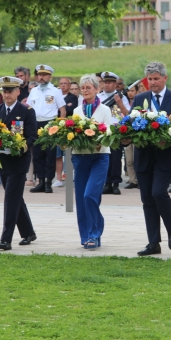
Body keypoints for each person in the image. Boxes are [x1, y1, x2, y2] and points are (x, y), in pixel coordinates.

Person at [129, 61, 171, 256]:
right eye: (150, 79)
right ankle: (153, 242)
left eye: (156, 79)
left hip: (165, 157)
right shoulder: (139, 98)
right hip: (144, 157)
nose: (153, 83)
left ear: (165, 78)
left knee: (158, 193)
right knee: (147, 199)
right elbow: (130, 123)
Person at [0, 77, 38, 251]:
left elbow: (32, 136)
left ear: (18, 92)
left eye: (10, 91)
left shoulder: (26, 111)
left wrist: (21, 147)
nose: (7, 94)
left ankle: (6, 239)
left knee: (10, 198)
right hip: (3, 161)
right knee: (16, 198)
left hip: (19, 161)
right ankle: (28, 232)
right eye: (4, 91)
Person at [68, 74, 113, 249]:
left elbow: (108, 133)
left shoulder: (105, 110)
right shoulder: (77, 111)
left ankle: (96, 231)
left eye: (89, 87)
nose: (85, 91)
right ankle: (86, 236)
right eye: (83, 88)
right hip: (80, 157)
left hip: (100, 156)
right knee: (80, 198)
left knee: (90, 195)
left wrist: (98, 141)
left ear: (97, 89)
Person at [27, 64, 66, 193]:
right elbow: (29, 109)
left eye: (44, 75)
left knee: (50, 154)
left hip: (50, 124)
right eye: (39, 75)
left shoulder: (55, 91)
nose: (41, 77)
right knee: (37, 154)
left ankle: (49, 182)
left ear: (50, 76)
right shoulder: (34, 91)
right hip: (36, 124)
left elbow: (62, 110)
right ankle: (41, 181)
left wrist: (59, 126)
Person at [98, 71, 130, 195]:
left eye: (110, 82)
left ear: (115, 84)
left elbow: (127, 114)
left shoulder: (121, 97)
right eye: (105, 82)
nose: (107, 85)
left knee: (116, 159)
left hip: (116, 130)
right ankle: (106, 183)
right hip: (103, 131)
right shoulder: (98, 98)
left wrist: (120, 103)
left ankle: (116, 183)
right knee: (104, 158)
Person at [52, 77, 80, 188]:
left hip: (68, 128)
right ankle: (58, 178)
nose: (63, 85)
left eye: (65, 83)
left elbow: (70, 110)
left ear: (69, 85)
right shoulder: (55, 96)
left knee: (68, 154)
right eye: (61, 83)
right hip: (56, 128)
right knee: (57, 155)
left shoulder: (72, 97)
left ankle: (68, 175)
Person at [124, 83, 139, 189]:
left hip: (137, 134)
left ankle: (139, 180)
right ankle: (133, 180)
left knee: (137, 158)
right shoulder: (124, 102)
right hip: (127, 133)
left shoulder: (140, 102)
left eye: (133, 90)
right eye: (129, 90)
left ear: (137, 92)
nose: (130, 93)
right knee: (129, 159)